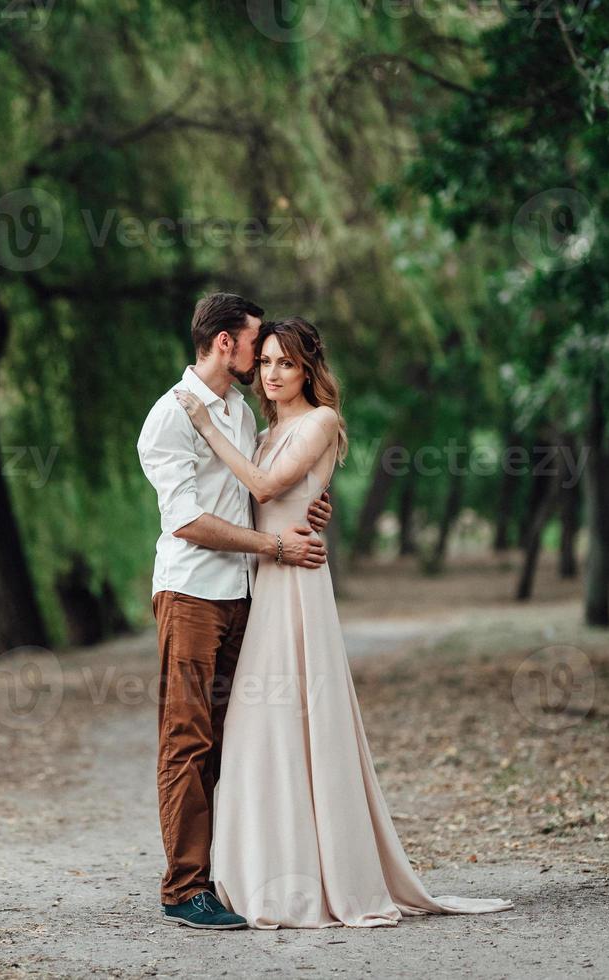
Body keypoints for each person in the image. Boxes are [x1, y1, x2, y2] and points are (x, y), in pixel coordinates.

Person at [172, 315, 514, 928]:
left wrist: (205, 425)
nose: (272, 374)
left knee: (299, 721)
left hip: (296, 584)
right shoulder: (266, 424)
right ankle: (258, 872)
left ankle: (317, 874)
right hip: (264, 579)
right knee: (258, 729)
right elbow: (259, 497)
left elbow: (267, 485)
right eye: (267, 361)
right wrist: (310, 503)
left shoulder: (319, 421)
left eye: (286, 363)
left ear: (309, 369)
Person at [136, 293, 332, 930]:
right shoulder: (170, 417)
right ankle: (183, 888)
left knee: (228, 743)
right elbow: (188, 521)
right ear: (227, 343)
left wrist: (306, 512)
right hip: (192, 594)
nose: (262, 358)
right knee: (186, 739)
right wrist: (274, 544)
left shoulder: (242, 412)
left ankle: (227, 873)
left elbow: (257, 491)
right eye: (255, 345)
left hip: (243, 596)